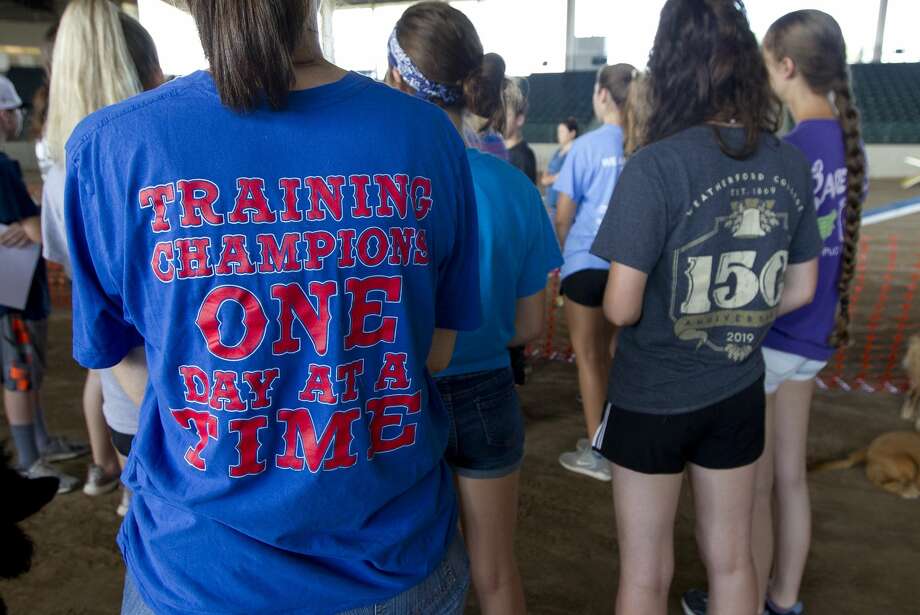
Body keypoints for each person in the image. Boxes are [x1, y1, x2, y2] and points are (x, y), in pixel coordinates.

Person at [64, 0, 481, 613]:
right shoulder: (425, 136)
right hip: (392, 564)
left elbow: (125, 367)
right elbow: (436, 350)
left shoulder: (110, 146)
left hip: (198, 574)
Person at [587, 1, 823, 614]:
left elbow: (619, 307)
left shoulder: (655, 166)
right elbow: (799, 290)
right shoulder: (788, 161)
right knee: (734, 557)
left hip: (651, 394)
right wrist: (737, 317)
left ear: (667, 67)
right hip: (737, 388)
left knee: (645, 573)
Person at [387, 5, 562, 613]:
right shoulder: (513, 185)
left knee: (409, 574)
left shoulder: (382, 188)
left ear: (396, 76)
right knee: (495, 569)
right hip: (489, 393)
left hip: (405, 398)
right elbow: (533, 326)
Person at [749, 11, 865, 615]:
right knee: (791, 478)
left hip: (774, 335)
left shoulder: (786, 151)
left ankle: (743, 598)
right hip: (813, 338)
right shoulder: (847, 147)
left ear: (785, 66)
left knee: (760, 482)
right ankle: (783, 601)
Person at [43, 0, 165, 507]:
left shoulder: (59, 175)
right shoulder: (169, 162)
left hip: (131, 404)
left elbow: (82, 286)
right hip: (207, 402)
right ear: (152, 74)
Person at [0, 75, 82, 493]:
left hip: (19, 290)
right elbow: (33, 229)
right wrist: (34, 220)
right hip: (9, 295)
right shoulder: (0, 166)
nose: (18, 118)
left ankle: (41, 442)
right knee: (19, 374)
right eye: (13, 110)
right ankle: (31, 462)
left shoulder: (6, 165)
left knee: (30, 369)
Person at [554, 63, 634, 482]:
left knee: (588, 357)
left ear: (602, 95)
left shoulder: (584, 147)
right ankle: (620, 440)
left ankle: (599, 451)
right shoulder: (644, 145)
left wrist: (562, 260)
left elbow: (564, 216)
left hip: (586, 263)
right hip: (633, 268)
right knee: (616, 358)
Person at [502, 78, 537, 185]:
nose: (500, 120)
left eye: (506, 116)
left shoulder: (522, 157)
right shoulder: (503, 151)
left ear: (519, 120)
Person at [542, 117, 578, 215]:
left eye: (562, 132)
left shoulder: (574, 154)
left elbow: (565, 176)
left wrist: (548, 179)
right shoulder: (558, 152)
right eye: (558, 131)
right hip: (551, 205)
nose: (559, 135)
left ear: (572, 133)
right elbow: (546, 172)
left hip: (562, 208)